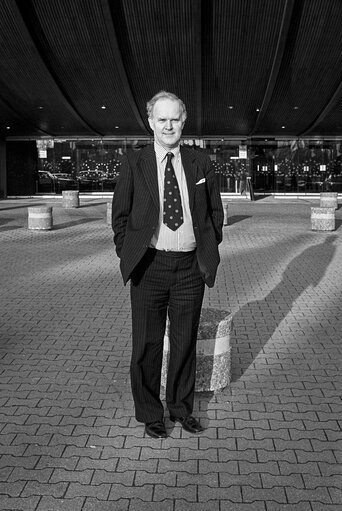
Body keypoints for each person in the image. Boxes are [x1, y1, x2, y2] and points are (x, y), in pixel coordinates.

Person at [112, 90, 223, 438]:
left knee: (184, 340)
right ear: (151, 122)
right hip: (150, 266)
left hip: (190, 267)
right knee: (146, 344)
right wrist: (127, 251)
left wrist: (208, 247)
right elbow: (121, 217)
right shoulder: (134, 162)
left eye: (174, 118)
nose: (168, 125)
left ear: (184, 120)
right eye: (162, 119)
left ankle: (181, 408)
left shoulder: (200, 162)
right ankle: (150, 414)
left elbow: (215, 213)